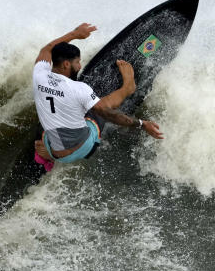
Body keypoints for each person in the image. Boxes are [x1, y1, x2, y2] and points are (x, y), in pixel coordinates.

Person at [32, 22, 164, 168]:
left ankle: (47, 156)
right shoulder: (79, 89)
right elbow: (108, 113)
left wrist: (75, 34)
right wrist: (142, 124)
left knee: (47, 120)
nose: (80, 66)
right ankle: (128, 88)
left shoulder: (39, 75)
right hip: (83, 147)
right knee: (98, 109)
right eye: (77, 62)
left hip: (56, 151)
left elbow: (47, 49)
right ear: (66, 65)